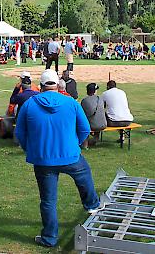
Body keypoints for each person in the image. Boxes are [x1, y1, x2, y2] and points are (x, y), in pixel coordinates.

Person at [14, 69, 100, 248]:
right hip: (69, 155)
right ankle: (91, 204)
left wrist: (30, 148)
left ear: (41, 84)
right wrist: (74, 144)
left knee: (48, 200)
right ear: (58, 83)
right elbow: (85, 129)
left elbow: (20, 133)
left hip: (43, 159)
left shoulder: (30, 104)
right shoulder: (70, 102)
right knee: (84, 175)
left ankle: (50, 237)